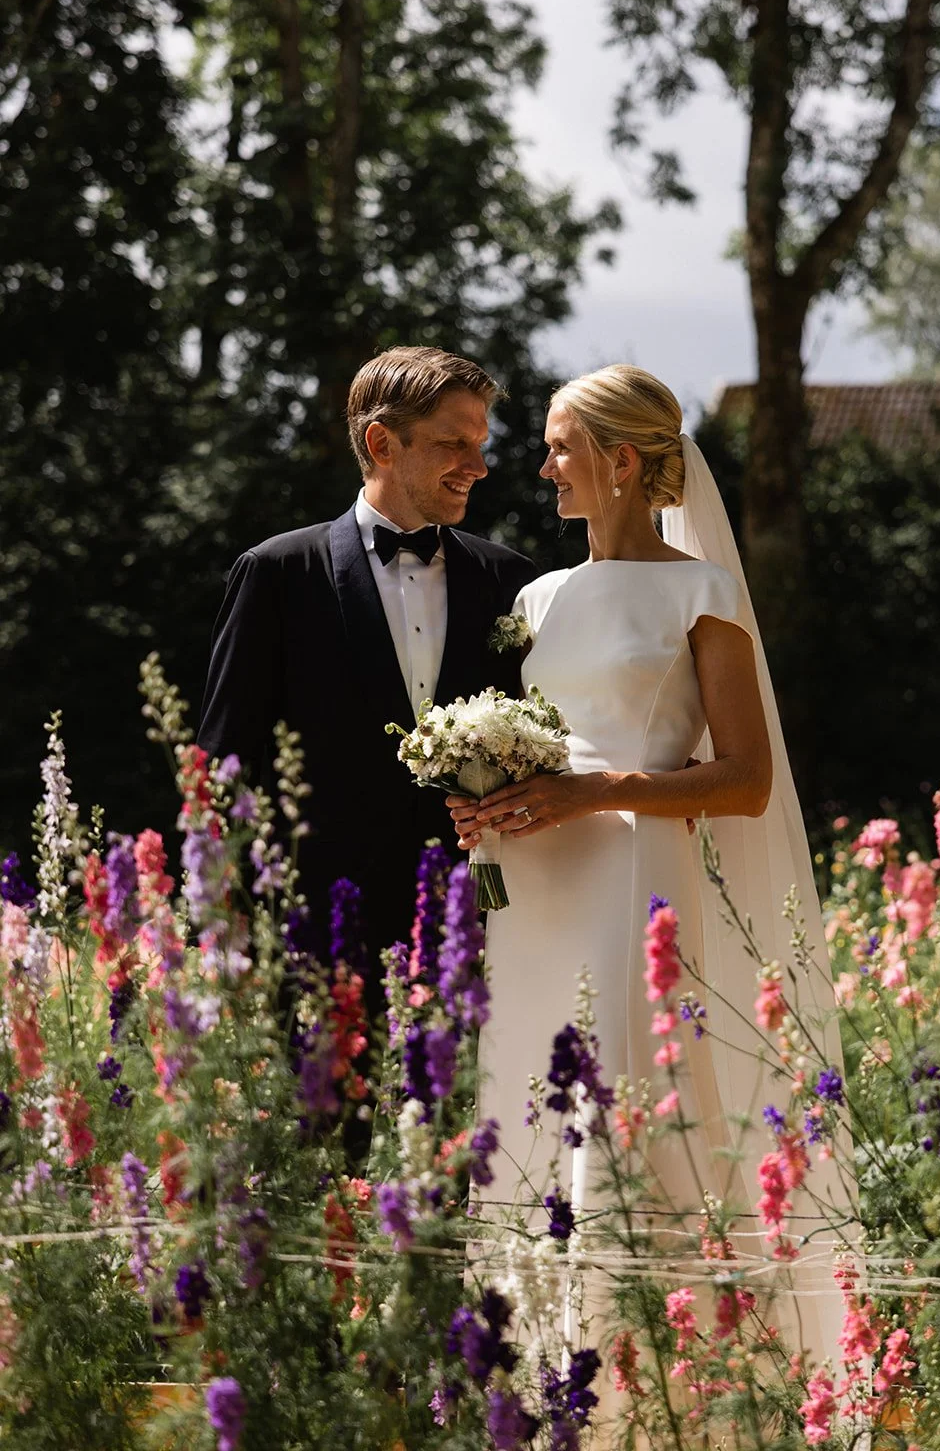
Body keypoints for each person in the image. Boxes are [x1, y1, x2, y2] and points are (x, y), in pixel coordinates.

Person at [449, 364, 851, 1378]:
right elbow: (543, 741)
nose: (540, 467)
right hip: (534, 894)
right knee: (534, 1106)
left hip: (634, 886)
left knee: (621, 1098)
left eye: (558, 446)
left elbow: (747, 777)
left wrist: (596, 791)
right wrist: (484, 795)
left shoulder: (701, 592)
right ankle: (540, 1376)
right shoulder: (536, 597)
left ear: (619, 461)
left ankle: (656, 1383)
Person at [198, 346, 536, 988]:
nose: (479, 466)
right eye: (453, 444)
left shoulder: (510, 582)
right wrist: (222, 932)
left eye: (480, 443)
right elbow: (223, 762)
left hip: (477, 926)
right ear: (382, 442)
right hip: (315, 934)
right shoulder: (276, 574)